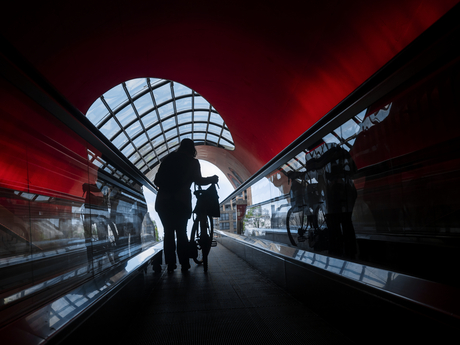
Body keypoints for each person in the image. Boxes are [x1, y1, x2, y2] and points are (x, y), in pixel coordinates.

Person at [154, 139, 218, 272]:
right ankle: (184, 264)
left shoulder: (169, 158)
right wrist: (212, 179)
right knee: (182, 232)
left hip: (163, 201)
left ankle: (171, 265)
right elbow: (199, 180)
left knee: (168, 233)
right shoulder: (192, 162)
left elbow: (157, 181)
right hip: (180, 202)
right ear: (192, 149)